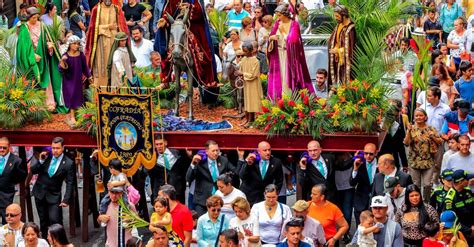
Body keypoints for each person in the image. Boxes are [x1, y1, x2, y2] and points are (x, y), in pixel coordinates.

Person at [16, 7, 67, 113]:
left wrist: (49, 46)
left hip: (43, 59)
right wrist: (32, 55)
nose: (36, 19)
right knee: (33, 80)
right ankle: (34, 105)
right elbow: (22, 47)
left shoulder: (43, 26)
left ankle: (48, 103)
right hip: (31, 61)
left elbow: (48, 40)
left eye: (37, 17)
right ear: (28, 18)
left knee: (46, 80)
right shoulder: (24, 28)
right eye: (33, 18)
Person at [31, 137, 75, 238]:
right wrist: (41, 161)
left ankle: (59, 242)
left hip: (54, 195)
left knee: (55, 220)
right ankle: (45, 243)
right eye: (53, 148)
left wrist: (66, 199)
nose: (55, 150)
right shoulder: (46, 156)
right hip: (40, 193)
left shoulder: (68, 163)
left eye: (57, 148)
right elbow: (34, 171)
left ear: (63, 148)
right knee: (43, 221)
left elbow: (70, 182)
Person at [267, 3, 313, 100]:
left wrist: (283, 32)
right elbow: (271, 36)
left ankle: (289, 99)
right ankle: (278, 99)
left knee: (287, 77)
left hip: (290, 57)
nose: (278, 18)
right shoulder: (277, 24)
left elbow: (294, 41)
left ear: (285, 14)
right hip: (278, 55)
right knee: (280, 77)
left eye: (279, 15)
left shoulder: (294, 24)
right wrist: (271, 38)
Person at [187, 140, 238, 216]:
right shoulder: (199, 161)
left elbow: (236, 172)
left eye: (217, 150)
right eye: (213, 151)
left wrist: (241, 159)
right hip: (202, 201)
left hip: (220, 200)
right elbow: (188, 178)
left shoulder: (223, 160)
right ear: (207, 152)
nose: (216, 153)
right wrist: (193, 164)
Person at [85, 0, 128, 88]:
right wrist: (108, 26)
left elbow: (122, 26)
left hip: (114, 41)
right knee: (101, 68)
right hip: (101, 42)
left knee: (115, 65)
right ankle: (101, 93)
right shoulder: (96, 9)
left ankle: (115, 92)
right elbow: (93, 29)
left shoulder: (116, 9)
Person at [403, 108, 442, 201]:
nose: (419, 117)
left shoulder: (431, 128)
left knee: (427, 184)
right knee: (416, 185)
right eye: (416, 116)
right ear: (414, 118)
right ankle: (417, 202)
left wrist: (432, 136)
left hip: (428, 161)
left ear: (425, 117)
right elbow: (406, 143)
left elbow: (440, 141)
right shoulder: (411, 128)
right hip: (414, 161)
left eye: (421, 115)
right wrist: (408, 131)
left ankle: (426, 202)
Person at [59, 35, 92, 125]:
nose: (76, 46)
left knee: (78, 96)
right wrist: (63, 61)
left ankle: (77, 115)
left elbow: (85, 68)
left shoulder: (81, 55)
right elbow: (61, 69)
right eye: (74, 44)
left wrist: (89, 77)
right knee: (71, 96)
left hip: (77, 80)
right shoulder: (65, 56)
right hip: (68, 80)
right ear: (69, 44)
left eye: (78, 44)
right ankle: (72, 116)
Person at [238, 141, 283, 205]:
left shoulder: (276, 162)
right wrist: (248, 163)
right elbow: (241, 176)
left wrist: (274, 194)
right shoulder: (252, 160)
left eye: (269, 150)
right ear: (258, 151)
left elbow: (279, 181)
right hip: (249, 197)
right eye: (265, 150)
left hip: (265, 199)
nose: (268, 152)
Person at [148, 136, 191, 204]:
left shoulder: (178, 153)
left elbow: (186, 166)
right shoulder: (152, 158)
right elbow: (149, 174)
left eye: (161, 144)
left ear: (165, 143)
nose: (159, 146)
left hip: (177, 190)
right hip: (160, 191)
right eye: (157, 144)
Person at [442, 170, 474, 245]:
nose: (469, 180)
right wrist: (469, 231)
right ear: (460, 182)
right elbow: (451, 221)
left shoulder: (468, 191)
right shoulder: (449, 199)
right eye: (467, 179)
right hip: (461, 233)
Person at [350, 143, 379, 225]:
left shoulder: (380, 164)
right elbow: (352, 183)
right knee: (360, 229)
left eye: (371, 154)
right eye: (366, 153)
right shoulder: (359, 164)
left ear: (376, 153)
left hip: (376, 204)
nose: (368, 156)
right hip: (360, 203)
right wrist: (355, 169)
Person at [236, 41, 263, 127]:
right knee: (247, 101)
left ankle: (251, 120)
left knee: (252, 102)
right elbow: (241, 69)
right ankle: (247, 119)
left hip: (253, 85)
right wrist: (239, 75)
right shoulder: (244, 59)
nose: (244, 53)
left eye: (246, 51)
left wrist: (242, 74)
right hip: (246, 84)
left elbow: (253, 75)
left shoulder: (256, 61)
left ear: (251, 51)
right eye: (243, 51)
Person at [0, 137, 26, 224]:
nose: (2, 149)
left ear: (9, 147)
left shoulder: (16, 161)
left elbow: (21, 176)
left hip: (6, 195)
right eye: (0, 147)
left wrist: (10, 182)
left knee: (6, 222)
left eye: (4, 148)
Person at [328, 5, 355, 86]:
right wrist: (335, 49)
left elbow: (350, 49)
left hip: (345, 63)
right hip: (337, 60)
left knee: (344, 83)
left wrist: (338, 51)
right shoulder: (339, 25)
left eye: (337, 16)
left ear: (343, 15)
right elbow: (335, 40)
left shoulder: (350, 29)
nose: (335, 18)